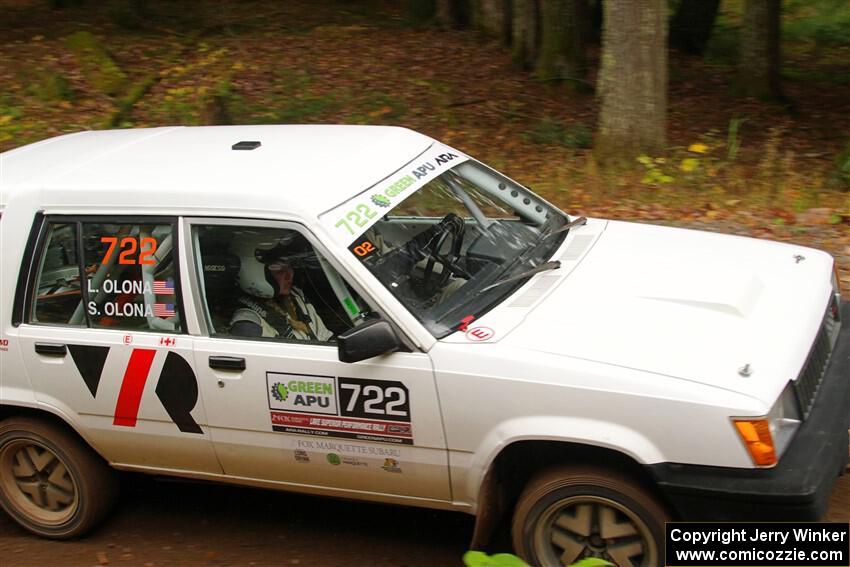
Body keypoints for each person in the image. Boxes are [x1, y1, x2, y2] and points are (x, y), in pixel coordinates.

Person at [229, 233, 333, 341]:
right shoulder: (248, 326)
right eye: (279, 268)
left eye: (290, 265)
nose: (290, 274)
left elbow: (326, 338)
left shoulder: (295, 298)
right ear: (252, 271)